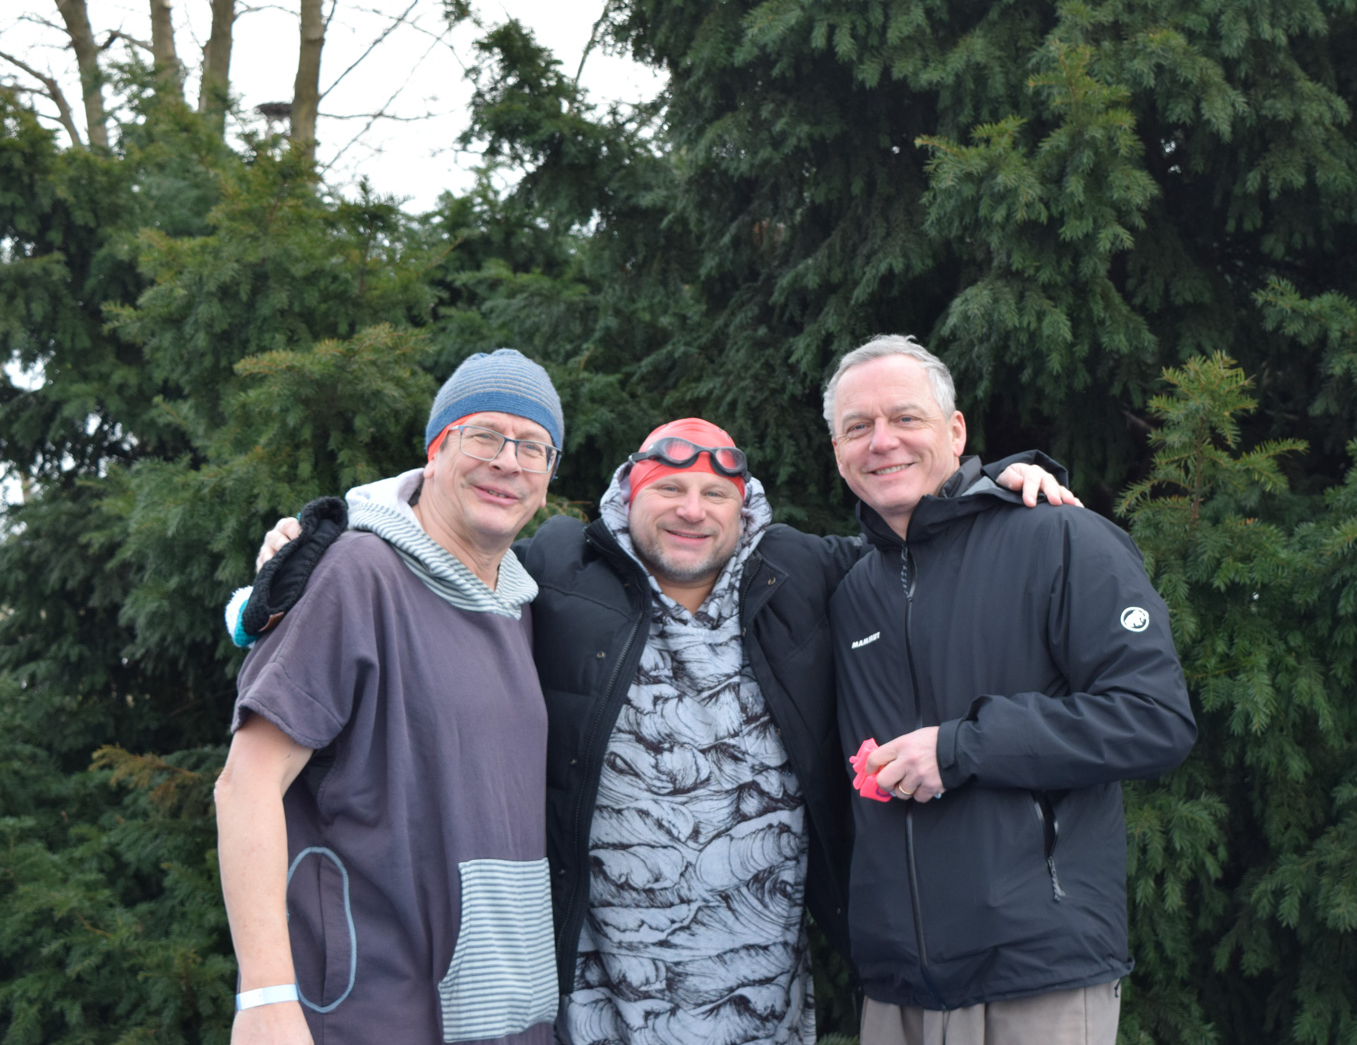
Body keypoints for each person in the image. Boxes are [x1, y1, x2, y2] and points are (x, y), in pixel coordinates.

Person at [234, 414, 1075, 1045]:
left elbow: (914, 544)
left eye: (716, 494)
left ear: (745, 507)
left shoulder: (801, 570)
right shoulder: (557, 567)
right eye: (669, 488)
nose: (691, 510)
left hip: (763, 999)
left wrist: (999, 482)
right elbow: (448, 535)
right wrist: (316, 539)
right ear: (627, 493)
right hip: (602, 1003)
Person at [823, 335, 1197, 1045]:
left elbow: (1154, 719)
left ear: (955, 431)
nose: (882, 441)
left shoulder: (1061, 538)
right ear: (838, 450)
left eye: (906, 418)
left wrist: (960, 748)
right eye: (857, 426)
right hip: (897, 991)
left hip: (1037, 982)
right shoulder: (850, 591)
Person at [214, 349, 566, 1045]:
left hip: (505, 1019)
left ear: (549, 477)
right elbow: (245, 784)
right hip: (371, 1015)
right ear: (435, 451)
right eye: (484, 436)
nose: (508, 461)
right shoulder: (360, 572)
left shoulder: (519, 607)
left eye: (533, 446)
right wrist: (266, 997)